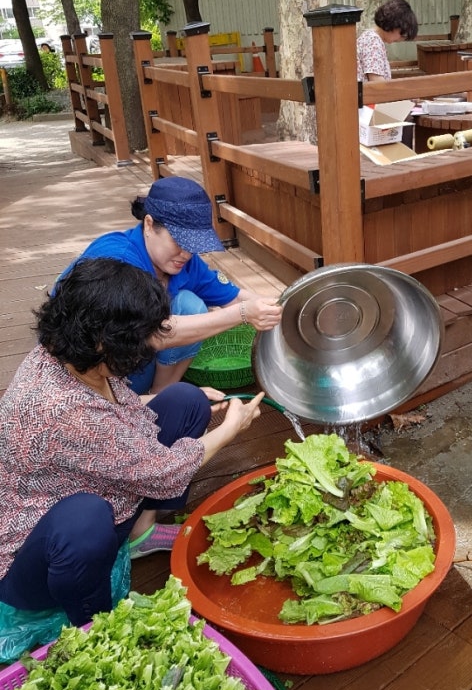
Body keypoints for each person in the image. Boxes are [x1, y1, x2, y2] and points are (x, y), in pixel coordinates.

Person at [0, 258, 265, 628]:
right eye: (141, 337)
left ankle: (140, 535)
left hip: (95, 486)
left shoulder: (70, 354)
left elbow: (114, 410)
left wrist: (176, 400)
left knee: (185, 399)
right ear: (101, 340)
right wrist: (230, 428)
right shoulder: (62, 408)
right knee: (85, 522)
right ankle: (94, 623)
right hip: (36, 558)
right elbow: (161, 471)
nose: (150, 345)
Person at [61, 175, 282, 395]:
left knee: (190, 305)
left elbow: (232, 296)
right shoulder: (118, 260)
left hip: (132, 364)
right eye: (179, 241)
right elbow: (153, 334)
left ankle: (160, 394)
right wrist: (242, 314)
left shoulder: (185, 263)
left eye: (194, 244)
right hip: (90, 381)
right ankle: (146, 403)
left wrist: (283, 308)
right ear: (149, 225)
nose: (186, 253)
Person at [356, 0, 418, 83]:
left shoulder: (370, 37)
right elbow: (376, 81)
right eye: (402, 34)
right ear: (394, 25)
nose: (400, 40)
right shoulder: (373, 41)